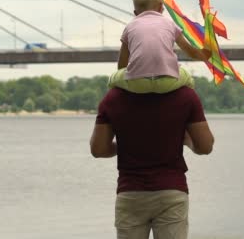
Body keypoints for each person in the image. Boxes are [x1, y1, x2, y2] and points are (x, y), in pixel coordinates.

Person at [90, 86, 215, 239]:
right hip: (171, 192)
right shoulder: (186, 95)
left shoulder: (114, 96)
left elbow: (99, 149)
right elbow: (205, 146)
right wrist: (184, 140)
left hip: (131, 192)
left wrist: (128, 143)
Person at [108, 0, 211, 94]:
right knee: (188, 79)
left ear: (135, 13)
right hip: (167, 81)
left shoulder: (129, 27)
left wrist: (125, 75)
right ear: (161, 7)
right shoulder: (170, 24)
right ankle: (186, 100)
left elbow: (122, 64)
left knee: (113, 79)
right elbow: (191, 53)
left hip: (138, 83)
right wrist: (207, 54)